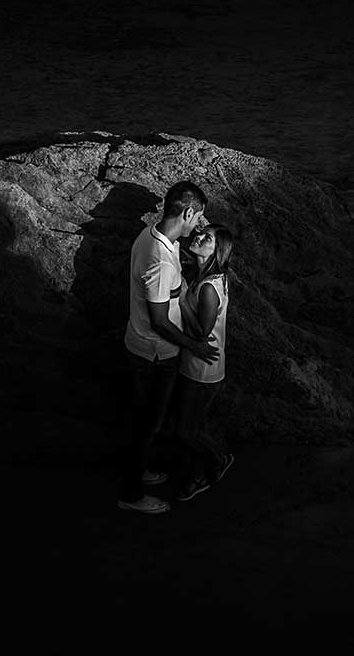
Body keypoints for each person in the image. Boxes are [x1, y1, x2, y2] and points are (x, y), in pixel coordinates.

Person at [117, 181, 219, 514]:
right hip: (154, 354)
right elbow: (160, 321)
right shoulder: (160, 259)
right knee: (147, 425)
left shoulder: (153, 235)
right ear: (188, 212)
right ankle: (131, 495)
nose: (200, 225)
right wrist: (195, 346)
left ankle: (141, 469)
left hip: (142, 345)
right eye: (199, 217)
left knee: (142, 421)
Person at [174, 224, 235, 501]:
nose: (198, 237)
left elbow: (201, 331)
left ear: (216, 250)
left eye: (206, 238)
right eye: (200, 231)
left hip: (203, 369)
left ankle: (218, 459)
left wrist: (182, 298)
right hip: (198, 364)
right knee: (194, 425)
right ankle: (195, 474)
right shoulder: (206, 276)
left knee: (188, 430)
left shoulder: (209, 287)